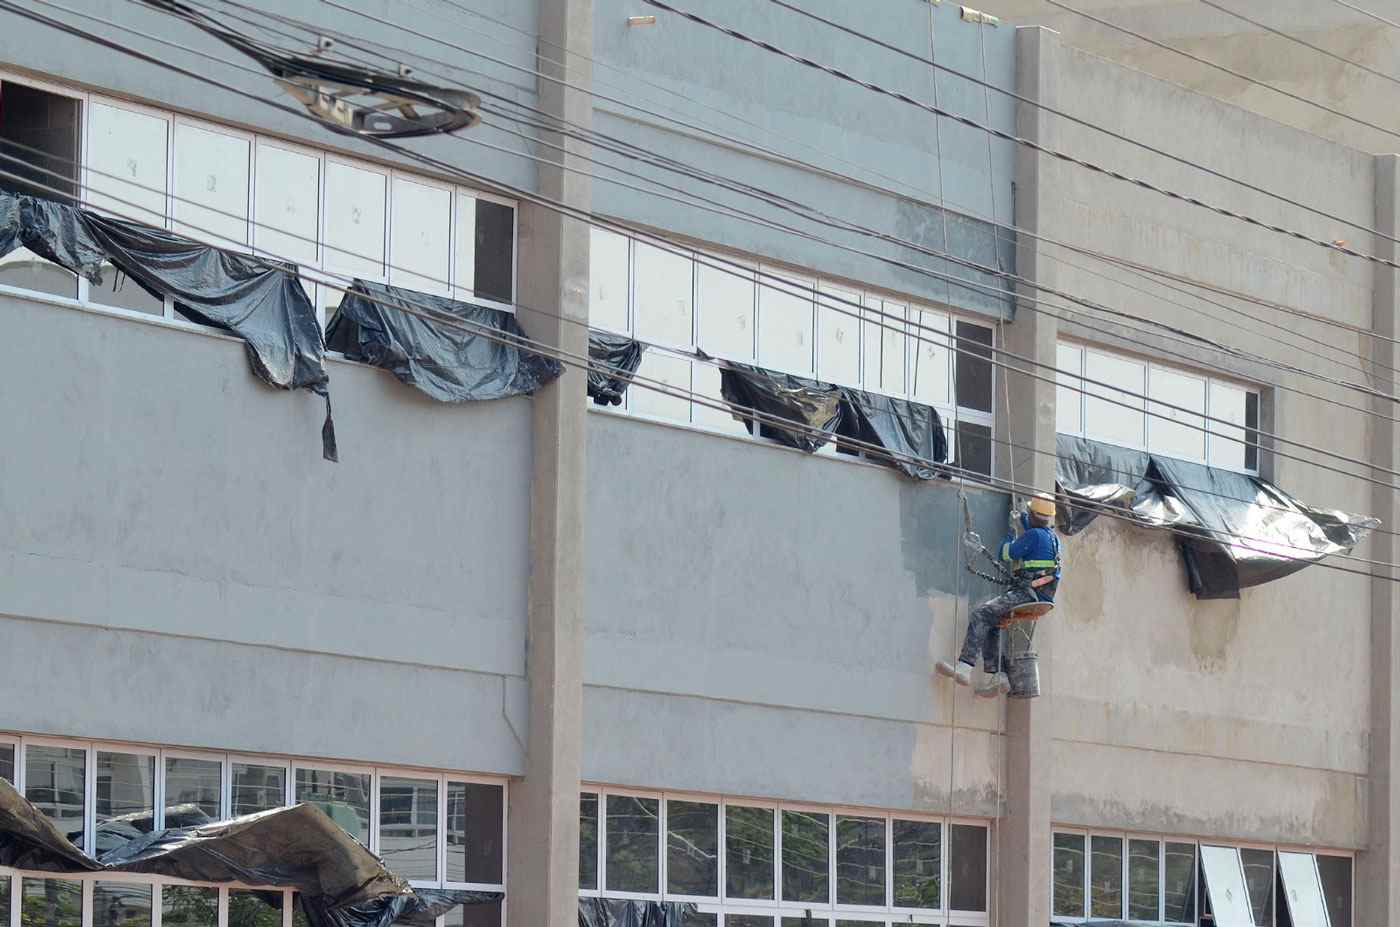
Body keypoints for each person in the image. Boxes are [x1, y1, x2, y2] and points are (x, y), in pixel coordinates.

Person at [936, 495, 1061, 696]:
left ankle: (964, 667)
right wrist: (1021, 518)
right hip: (1042, 596)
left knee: (980, 613)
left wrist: (1011, 532)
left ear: (1033, 514)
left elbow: (1005, 554)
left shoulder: (1034, 536)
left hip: (1027, 594)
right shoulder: (1052, 538)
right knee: (993, 620)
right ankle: (998, 675)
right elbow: (1034, 535)